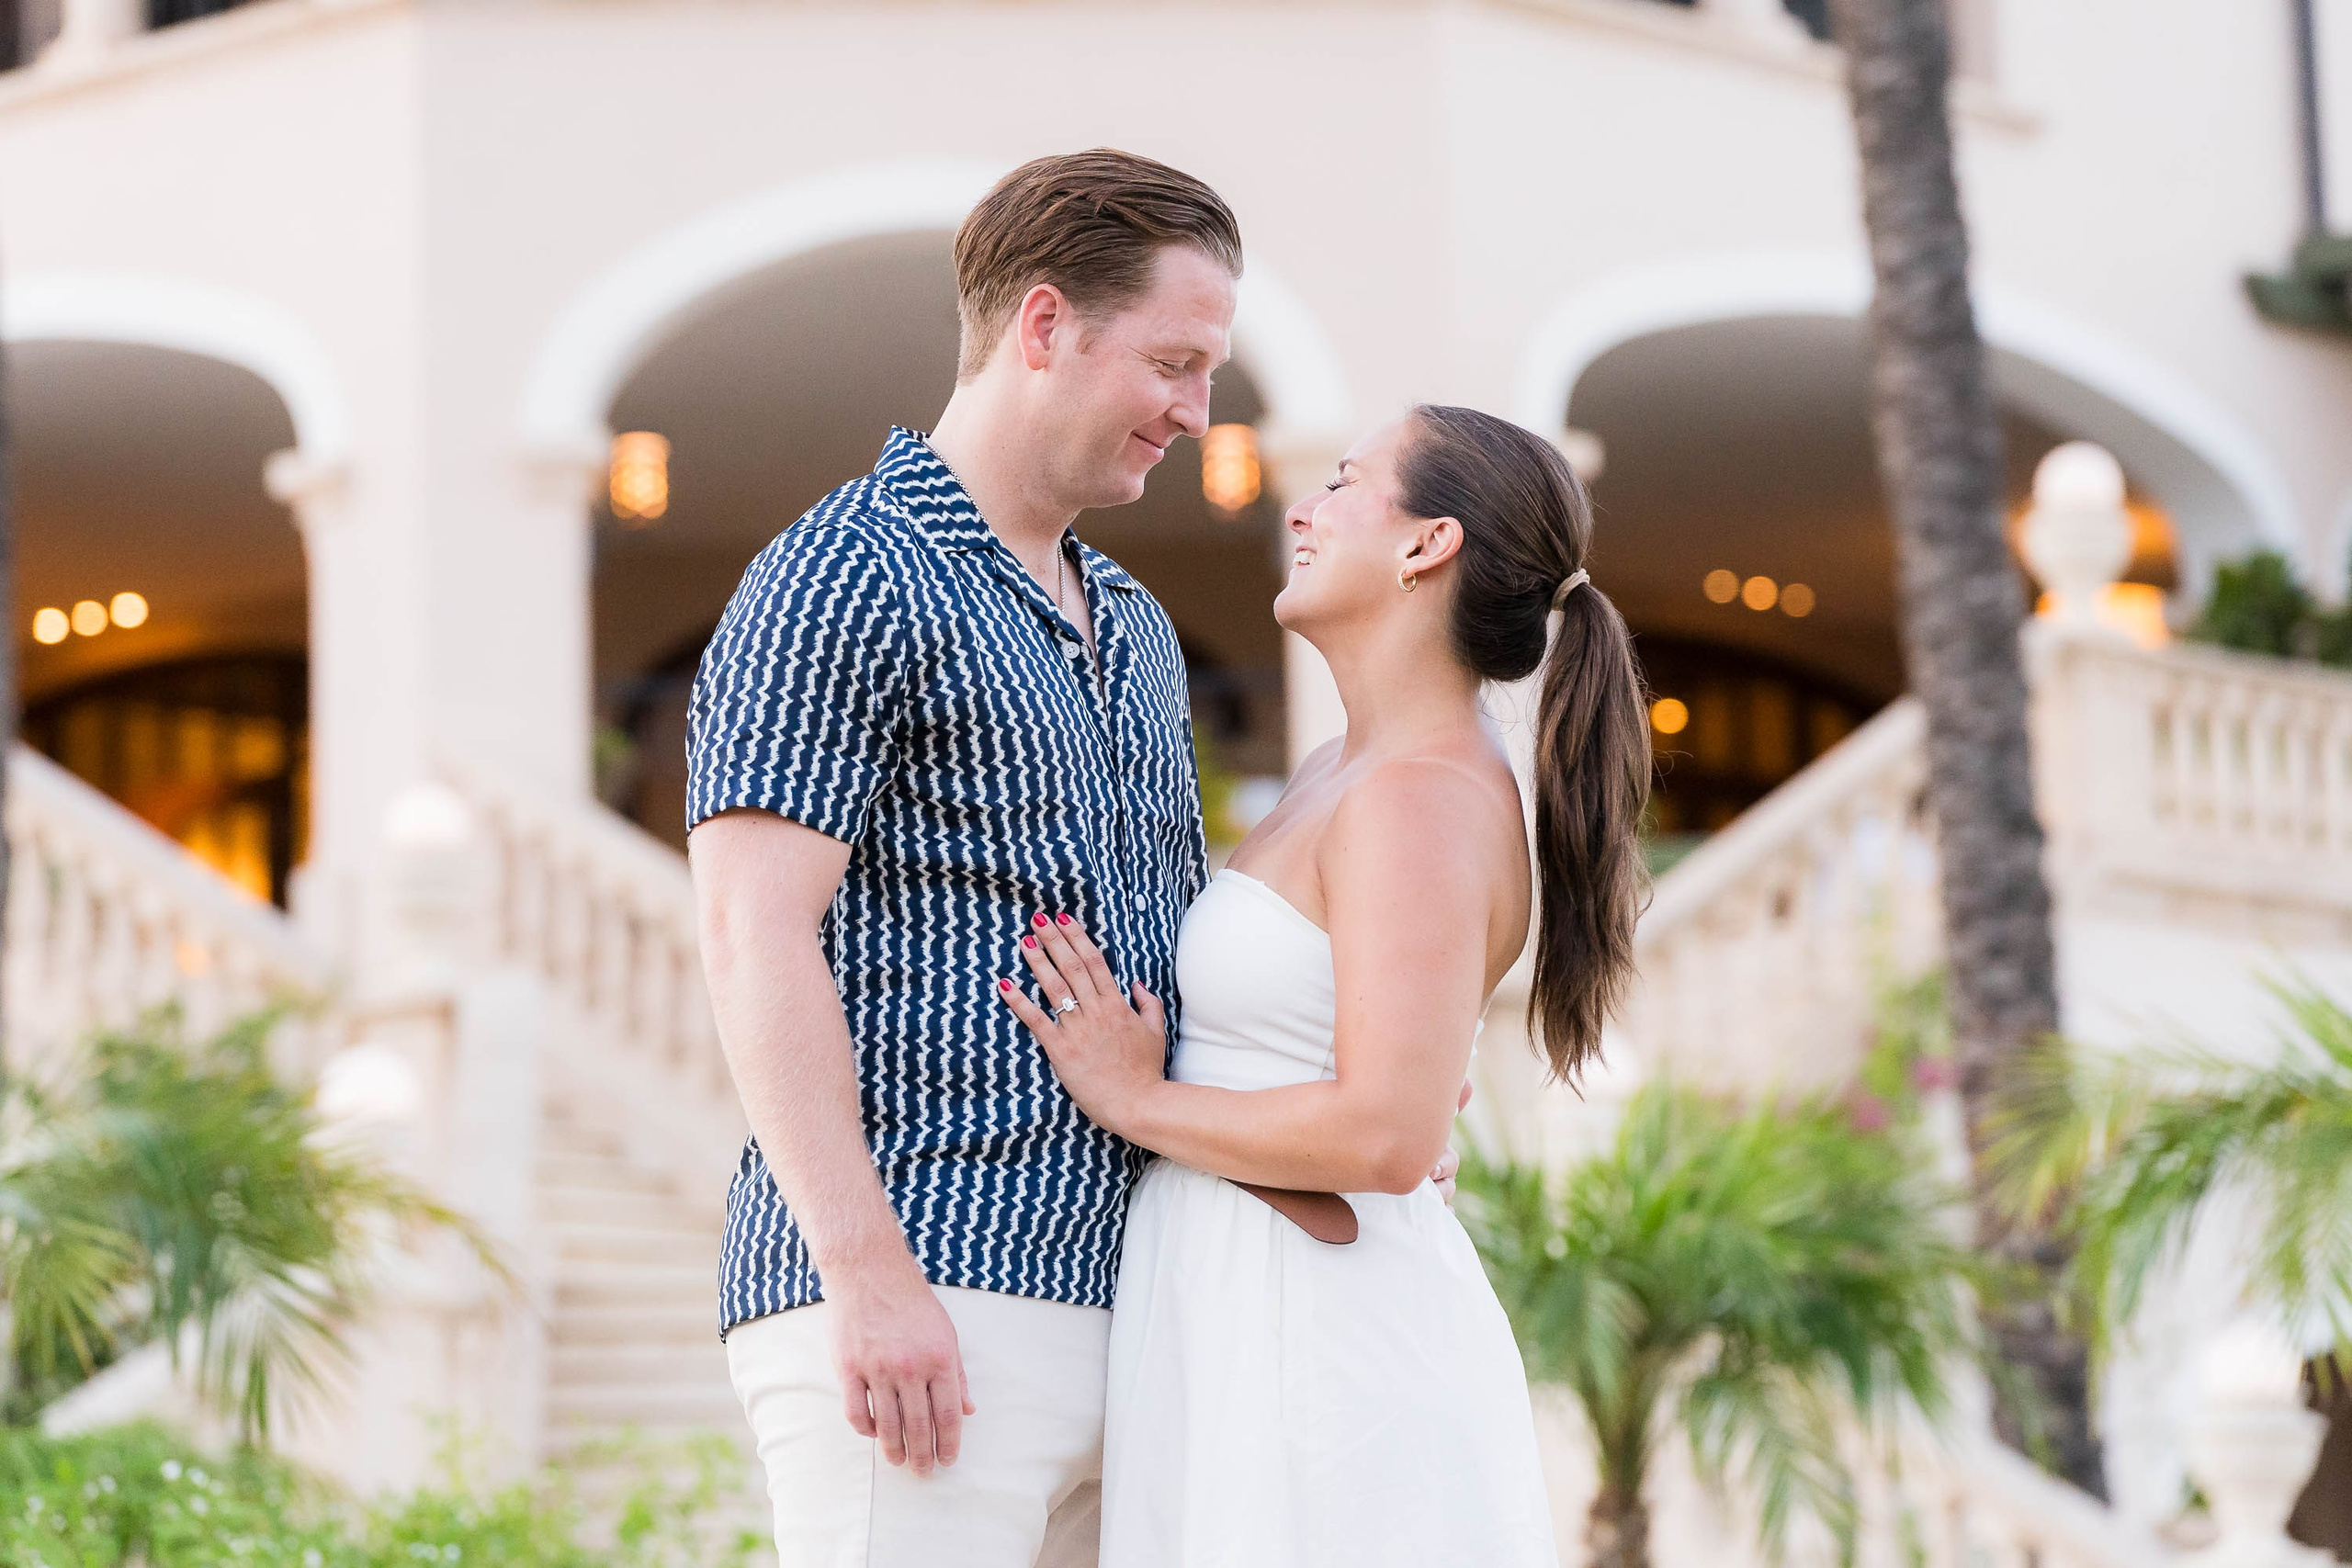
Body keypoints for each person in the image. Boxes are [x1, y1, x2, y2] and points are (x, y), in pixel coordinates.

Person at [684, 149, 1461, 1567]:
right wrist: (865, 1273)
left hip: (1150, 1301)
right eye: (1173, 361)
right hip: (930, 1288)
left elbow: (1173, 954)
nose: (1195, 410)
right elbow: (752, 934)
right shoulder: (841, 571)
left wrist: (1353, 1073)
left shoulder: (1141, 623)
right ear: (1044, 326)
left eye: (1208, 369)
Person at [997, 404, 1652, 1565]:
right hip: (1239, 1301)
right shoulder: (1340, 772)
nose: (1302, 505)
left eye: (1345, 484)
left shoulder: (1423, 797)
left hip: (1317, 1332)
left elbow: (1390, 1133)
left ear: (1424, 545)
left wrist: (1131, 1097)